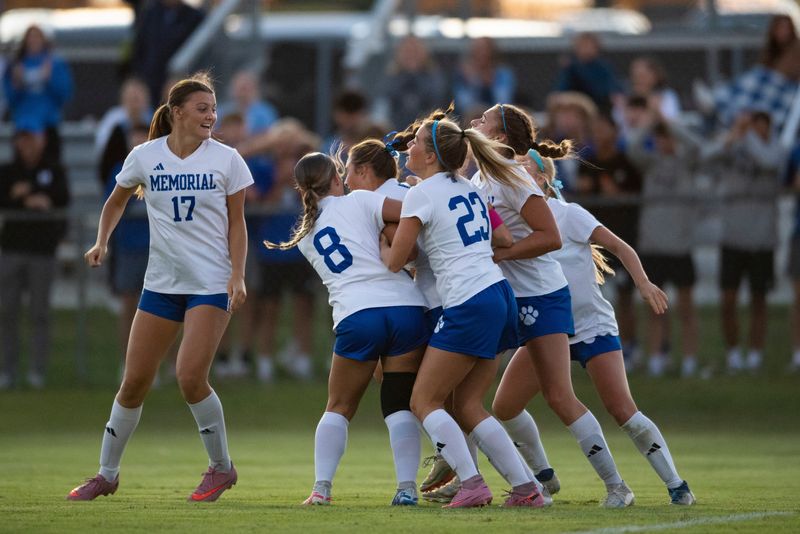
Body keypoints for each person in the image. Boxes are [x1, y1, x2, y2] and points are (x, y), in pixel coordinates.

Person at [66, 73, 253, 502]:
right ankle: (106, 474)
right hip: (162, 284)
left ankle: (221, 469)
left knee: (189, 377)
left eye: (213, 108)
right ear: (177, 113)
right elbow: (115, 200)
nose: (211, 115)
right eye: (202, 108)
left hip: (209, 284)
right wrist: (101, 241)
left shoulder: (226, 160)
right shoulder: (145, 156)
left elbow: (237, 223)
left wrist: (237, 274)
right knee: (133, 383)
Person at [468, 103, 633, 508]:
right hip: (506, 300)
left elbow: (550, 237)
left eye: (483, 121)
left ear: (501, 138)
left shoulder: (513, 177)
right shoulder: (478, 178)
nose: (473, 124)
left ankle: (617, 487)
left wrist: (501, 256)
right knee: (496, 403)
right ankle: (537, 481)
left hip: (542, 297)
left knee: (559, 396)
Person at [384, 117, 546, 509]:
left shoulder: (421, 193)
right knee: (467, 406)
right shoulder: (468, 190)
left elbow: (396, 260)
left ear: (432, 154)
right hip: (498, 294)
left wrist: (375, 236)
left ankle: (473, 483)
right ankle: (527, 489)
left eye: (417, 142)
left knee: (424, 401)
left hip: (469, 301)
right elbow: (497, 237)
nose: (409, 148)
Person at [520, 151, 696, 505]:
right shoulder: (513, 220)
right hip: (549, 327)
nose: (514, 174)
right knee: (506, 406)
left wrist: (644, 284)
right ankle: (545, 478)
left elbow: (619, 246)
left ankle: (676, 485)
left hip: (590, 326)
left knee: (622, 409)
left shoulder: (567, 214)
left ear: (542, 179)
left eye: (524, 168)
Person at [264, 152, 429, 506]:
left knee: (338, 406)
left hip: (358, 314)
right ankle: (405, 489)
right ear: (337, 179)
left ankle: (321, 490)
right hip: (406, 307)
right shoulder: (359, 200)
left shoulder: (305, 235)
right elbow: (413, 212)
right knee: (399, 405)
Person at [706, 111, 785, 373]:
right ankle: (732, 355)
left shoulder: (776, 149)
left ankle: (755, 355)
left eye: (760, 128)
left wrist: (747, 135)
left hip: (762, 240)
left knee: (759, 300)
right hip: (733, 238)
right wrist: (733, 135)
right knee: (728, 300)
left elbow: (768, 160)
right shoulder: (734, 147)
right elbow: (707, 156)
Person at [627, 112, 701, 378]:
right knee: (655, 310)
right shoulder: (650, 164)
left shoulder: (686, 162)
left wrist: (671, 125)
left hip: (680, 247)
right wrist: (650, 123)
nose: (664, 142)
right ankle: (656, 359)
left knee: (686, 309)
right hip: (653, 247)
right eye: (661, 139)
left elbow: (695, 146)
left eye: (667, 138)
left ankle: (690, 361)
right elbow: (633, 146)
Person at [0, 123, 70, 390]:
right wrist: (21, 200)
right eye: (23, 140)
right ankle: (7, 371)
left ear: (42, 141)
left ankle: (36, 372)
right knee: (7, 312)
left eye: (33, 139)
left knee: (39, 312)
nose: (28, 145)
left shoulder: (53, 169)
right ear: (17, 142)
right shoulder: (8, 171)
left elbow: (63, 196)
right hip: (12, 249)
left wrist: (39, 198)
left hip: (42, 251)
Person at [577, 113, 643, 367]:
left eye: (603, 128)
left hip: (619, 238)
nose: (598, 134)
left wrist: (614, 194)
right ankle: (589, 345)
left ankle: (629, 346)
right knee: (590, 295)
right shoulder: (588, 162)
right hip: (591, 242)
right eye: (595, 129)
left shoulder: (625, 164)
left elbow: (633, 198)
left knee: (625, 296)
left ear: (615, 132)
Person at [102, 123, 151, 374]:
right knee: (129, 308)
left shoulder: (162, 168)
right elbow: (111, 206)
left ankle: (166, 365)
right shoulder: (119, 172)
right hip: (130, 248)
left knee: (169, 308)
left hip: (159, 251)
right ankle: (129, 364)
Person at [2, 24, 73, 163]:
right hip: (23, 128)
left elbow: (65, 94)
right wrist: (16, 84)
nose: (33, 42)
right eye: (30, 38)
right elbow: (9, 100)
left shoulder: (55, 64)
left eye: (37, 38)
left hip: (48, 126)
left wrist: (50, 79)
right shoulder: (16, 66)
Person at [131, 0, 205, 105]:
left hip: (181, 85)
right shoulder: (149, 14)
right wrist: (137, 80)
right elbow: (139, 50)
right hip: (149, 86)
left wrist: (182, 81)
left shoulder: (195, 17)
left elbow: (201, 59)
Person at [379, 36, 447, 130]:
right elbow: (384, 103)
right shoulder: (391, 78)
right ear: (399, 55)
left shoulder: (434, 78)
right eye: (407, 52)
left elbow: (438, 102)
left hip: (426, 129)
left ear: (424, 54)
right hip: (394, 128)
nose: (411, 55)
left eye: (415, 52)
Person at [97, 77, 154, 187]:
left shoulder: (155, 121)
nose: (135, 103)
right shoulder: (114, 122)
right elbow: (104, 153)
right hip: (119, 172)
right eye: (131, 99)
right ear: (123, 100)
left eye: (138, 99)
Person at [554, 32, 623, 114]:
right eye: (583, 46)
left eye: (589, 46)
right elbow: (562, 88)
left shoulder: (602, 67)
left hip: (599, 106)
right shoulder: (571, 68)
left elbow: (611, 87)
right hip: (575, 107)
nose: (586, 49)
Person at [453, 37, 516, 118]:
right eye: (477, 50)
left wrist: (489, 84)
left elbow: (504, 102)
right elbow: (463, 104)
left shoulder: (503, 74)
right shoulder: (463, 74)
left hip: (497, 116)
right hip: (471, 117)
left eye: (484, 50)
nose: (481, 54)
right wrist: (475, 81)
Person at [217, 69, 279, 136]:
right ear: (232, 89)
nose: (243, 93)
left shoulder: (266, 111)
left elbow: (271, 135)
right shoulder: (223, 111)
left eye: (246, 88)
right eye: (240, 88)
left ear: (255, 89)